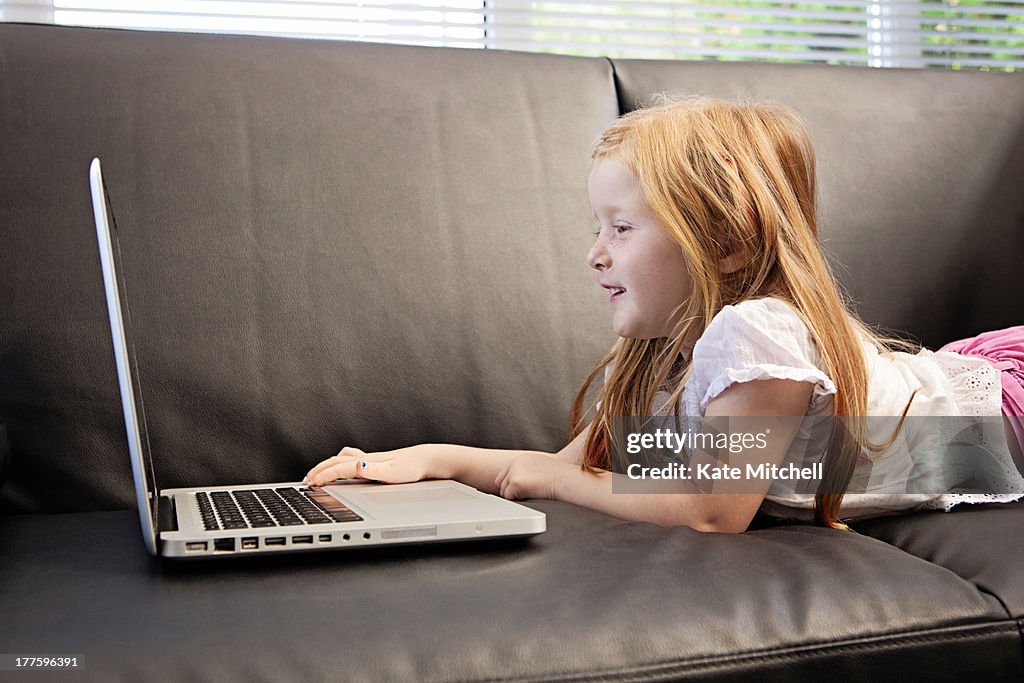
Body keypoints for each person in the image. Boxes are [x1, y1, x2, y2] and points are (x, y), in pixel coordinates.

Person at [305, 96, 1024, 533]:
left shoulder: (754, 337)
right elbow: (555, 467)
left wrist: (557, 482)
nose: (594, 254)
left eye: (621, 228)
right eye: (596, 227)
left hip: (997, 406)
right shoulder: (661, 355)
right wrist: (429, 460)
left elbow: (712, 513)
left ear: (727, 242)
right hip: (958, 373)